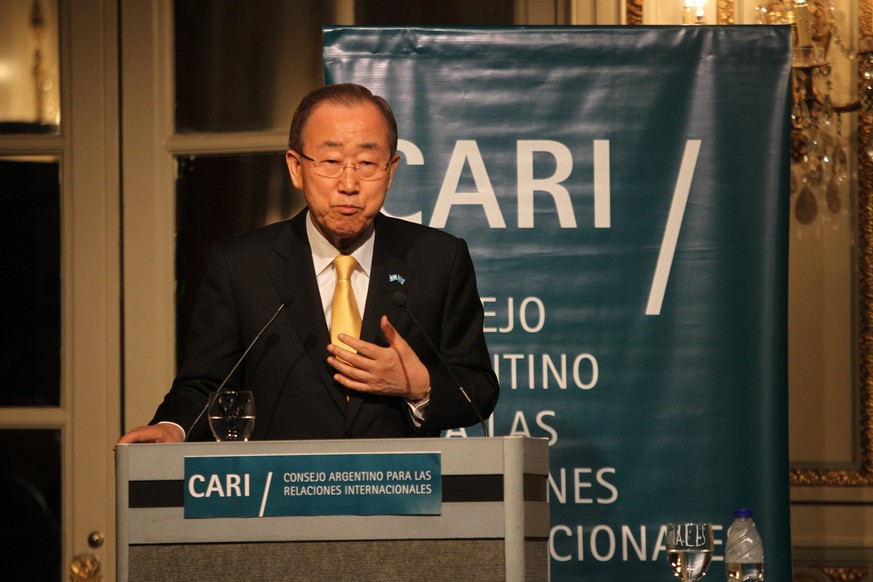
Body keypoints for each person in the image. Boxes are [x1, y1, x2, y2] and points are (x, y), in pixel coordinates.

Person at [118, 83, 499, 443]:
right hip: (279, 500)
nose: (349, 183)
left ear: (391, 171)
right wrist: (173, 427)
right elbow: (205, 383)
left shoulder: (438, 260)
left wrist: (419, 386)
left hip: (404, 497)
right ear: (296, 168)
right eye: (331, 161)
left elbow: (479, 389)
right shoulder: (240, 267)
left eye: (367, 163)